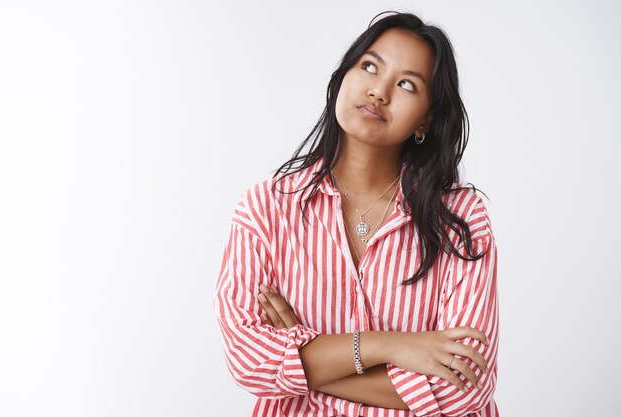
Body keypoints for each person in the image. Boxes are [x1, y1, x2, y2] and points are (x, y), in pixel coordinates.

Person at [214, 10, 499, 417]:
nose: (378, 92)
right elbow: (248, 361)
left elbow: (464, 388)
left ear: (427, 119)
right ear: (343, 77)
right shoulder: (267, 208)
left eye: (406, 84)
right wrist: (390, 344)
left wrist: (308, 359)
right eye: (369, 66)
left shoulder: (459, 217)